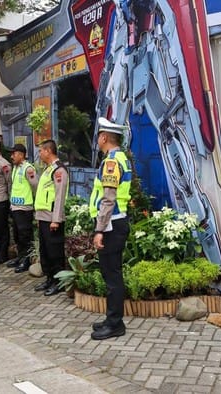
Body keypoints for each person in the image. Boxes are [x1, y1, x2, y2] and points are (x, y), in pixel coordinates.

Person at [90, 117, 132, 340]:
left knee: (112, 276)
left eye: (99, 136)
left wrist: (99, 230)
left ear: (104, 137)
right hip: (116, 222)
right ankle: (111, 319)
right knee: (111, 275)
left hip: (111, 224)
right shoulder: (120, 158)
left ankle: (115, 324)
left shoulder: (111, 162)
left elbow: (108, 199)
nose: (98, 139)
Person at [33, 140, 68, 296]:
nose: (39, 154)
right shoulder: (48, 169)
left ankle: (58, 282)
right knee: (45, 251)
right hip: (43, 217)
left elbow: (59, 197)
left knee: (55, 252)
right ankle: (49, 279)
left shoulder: (59, 170)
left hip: (52, 218)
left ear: (48, 151)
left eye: (41, 151)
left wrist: (56, 219)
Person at [7, 144, 39, 273]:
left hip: (24, 208)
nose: (12, 156)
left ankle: (26, 260)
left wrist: (36, 204)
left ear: (21, 154)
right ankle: (20, 257)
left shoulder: (28, 168)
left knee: (25, 235)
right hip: (15, 207)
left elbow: (35, 186)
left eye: (14, 154)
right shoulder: (15, 168)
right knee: (17, 234)